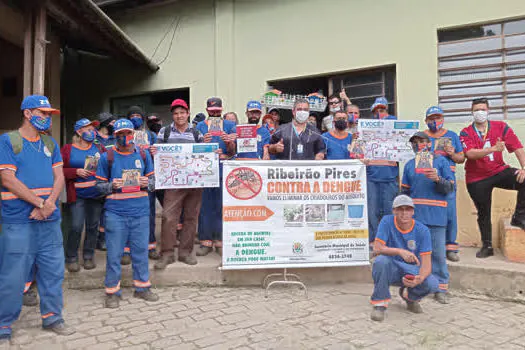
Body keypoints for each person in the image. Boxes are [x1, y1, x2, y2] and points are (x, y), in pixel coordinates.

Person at [0, 95, 75, 343]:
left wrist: (49, 204)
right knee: (13, 274)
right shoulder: (8, 141)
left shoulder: (50, 144)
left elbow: (59, 178)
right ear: (27, 113)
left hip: (48, 220)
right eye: (42, 113)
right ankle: (4, 325)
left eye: (48, 114)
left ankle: (52, 317)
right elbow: (8, 179)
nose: (46, 118)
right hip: (19, 221)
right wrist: (40, 203)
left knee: (53, 271)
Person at [95, 119, 158, 308]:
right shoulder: (107, 157)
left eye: (128, 133)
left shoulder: (144, 154)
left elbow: (155, 182)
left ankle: (142, 288)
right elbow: (98, 187)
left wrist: (149, 183)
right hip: (115, 214)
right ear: (115, 135)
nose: (125, 138)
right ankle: (112, 292)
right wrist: (110, 186)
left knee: (140, 252)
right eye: (120, 134)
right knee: (114, 254)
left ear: (134, 133)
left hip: (140, 212)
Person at [460, 97, 525, 258]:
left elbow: (517, 147)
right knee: (484, 212)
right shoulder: (466, 132)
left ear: (488, 110)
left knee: (524, 179)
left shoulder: (501, 127)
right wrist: (493, 149)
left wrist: (524, 168)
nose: (479, 113)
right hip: (476, 178)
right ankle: (487, 246)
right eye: (476, 110)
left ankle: (519, 216)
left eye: (482, 109)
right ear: (472, 112)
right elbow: (470, 154)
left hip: (498, 171)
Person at [402, 132, 455, 304]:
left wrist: (437, 179)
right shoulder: (409, 165)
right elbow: (405, 193)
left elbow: (449, 188)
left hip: (436, 217)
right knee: (415, 255)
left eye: (422, 141)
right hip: (415, 219)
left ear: (430, 144)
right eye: (415, 142)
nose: (419, 145)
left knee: (438, 255)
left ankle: (441, 289)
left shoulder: (441, 162)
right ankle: (416, 286)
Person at [370, 195, 440, 322]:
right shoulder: (387, 221)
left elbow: (426, 264)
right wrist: (399, 251)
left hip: (411, 270)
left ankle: (410, 297)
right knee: (380, 261)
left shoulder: (422, 230)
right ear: (394, 211)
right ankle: (380, 304)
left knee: (432, 283)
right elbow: (377, 248)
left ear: (413, 211)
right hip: (391, 267)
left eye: (407, 209)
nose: (404, 213)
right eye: (400, 209)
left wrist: (419, 279)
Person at [154, 99, 204, 269]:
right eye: (176, 113)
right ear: (172, 115)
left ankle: (185, 252)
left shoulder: (196, 133)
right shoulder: (165, 131)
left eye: (182, 112)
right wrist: (154, 151)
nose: (179, 116)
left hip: (194, 181)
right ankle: (167, 254)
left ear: (188, 113)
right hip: (173, 181)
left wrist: (213, 152)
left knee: (191, 217)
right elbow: (157, 154)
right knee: (168, 217)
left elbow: (204, 155)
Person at [61, 118, 106, 272]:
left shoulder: (99, 148)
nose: (91, 132)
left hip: (95, 194)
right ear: (79, 132)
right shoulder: (68, 149)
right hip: (77, 195)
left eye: (93, 129)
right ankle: (71, 257)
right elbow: (58, 169)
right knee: (76, 226)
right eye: (87, 129)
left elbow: (108, 166)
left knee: (93, 226)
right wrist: (75, 171)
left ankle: (88, 256)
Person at [196, 97, 237, 256]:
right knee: (205, 206)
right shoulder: (199, 126)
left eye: (217, 111)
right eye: (212, 111)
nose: (214, 114)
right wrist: (203, 145)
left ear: (222, 110)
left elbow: (234, 152)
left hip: (223, 168)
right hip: (205, 170)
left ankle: (220, 241)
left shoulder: (230, 125)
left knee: (222, 205)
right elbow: (193, 152)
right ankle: (205, 242)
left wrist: (228, 143)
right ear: (207, 110)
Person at [424, 106, 465, 262]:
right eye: (431, 119)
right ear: (426, 121)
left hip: (448, 180)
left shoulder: (452, 136)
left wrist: (452, 153)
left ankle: (451, 248)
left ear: (443, 119)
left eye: (438, 118)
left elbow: (461, 159)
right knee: (427, 212)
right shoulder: (422, 136)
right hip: (427, 180)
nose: (435, 121)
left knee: (450, 214)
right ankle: (430, 246)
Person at [125, 106, 159, 261]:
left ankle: (150, 246)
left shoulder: (151, 135)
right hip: (128, 180)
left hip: (147, 179)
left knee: (149, 214)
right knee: (127, 215)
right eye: (132, 115)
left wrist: (155, 152)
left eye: (138, 115)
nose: (135, 118)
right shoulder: (122, 135)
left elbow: (160, 158)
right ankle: (126, 249)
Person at [366, 97, 399, 246]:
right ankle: (374, 241)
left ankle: (389, 241)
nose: (380, 114)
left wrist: (387, 120)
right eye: (376, 111)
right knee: (372, 213)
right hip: (371, 178)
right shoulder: (367, 129)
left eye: (382, 110)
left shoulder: (395, 124)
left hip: (390, 178)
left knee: (388, 212)